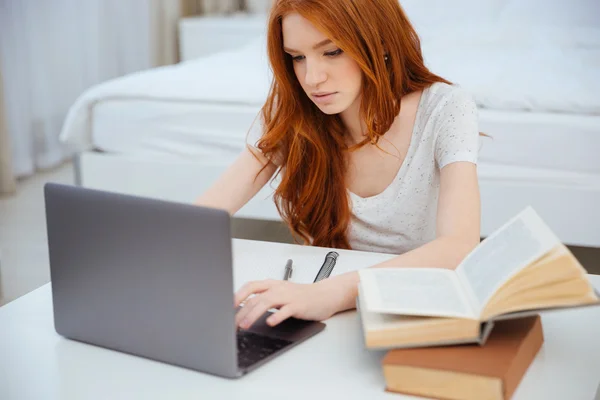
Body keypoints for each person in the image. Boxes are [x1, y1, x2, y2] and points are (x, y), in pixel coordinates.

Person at [195, 0, 482, 330]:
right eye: (297, 58)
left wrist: (332, 294)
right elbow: (205, 214)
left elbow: (458, 246)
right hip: (316, 291)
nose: (312, 78)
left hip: (405, 302)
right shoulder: (293, 109)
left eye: (331, 51)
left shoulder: (445, 107)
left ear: (381, 42)